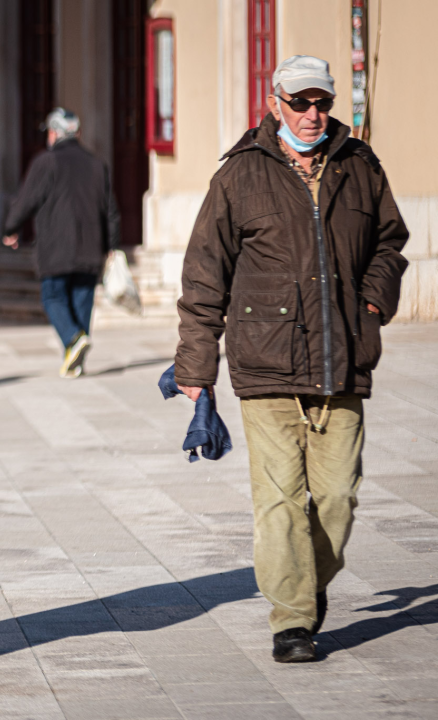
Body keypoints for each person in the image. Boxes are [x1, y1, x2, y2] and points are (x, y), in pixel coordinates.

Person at [174, 55, 409, 663]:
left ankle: (306, 585)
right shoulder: (239, 175)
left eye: (320, 103)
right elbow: (204, 277)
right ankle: (292, 621)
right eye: (299, 102)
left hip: (343, 360)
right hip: (266, 363)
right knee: (278, 501)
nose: (312, 114)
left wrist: (373, 304)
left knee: (338, 499)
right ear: (275, 102)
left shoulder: (360, 165)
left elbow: (390, 241)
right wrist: (195, 371)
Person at [2, 107, 121, 378]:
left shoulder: (46, 162)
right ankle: (75, 360)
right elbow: (111, 209)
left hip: (56, 248)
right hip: (91, 248)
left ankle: (72, 338)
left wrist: (11, 228)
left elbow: (26, 199)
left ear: (54, 133)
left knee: (52, 296)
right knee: (82, 300)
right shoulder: (97, 163)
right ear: (77, 133)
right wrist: (112, 245)